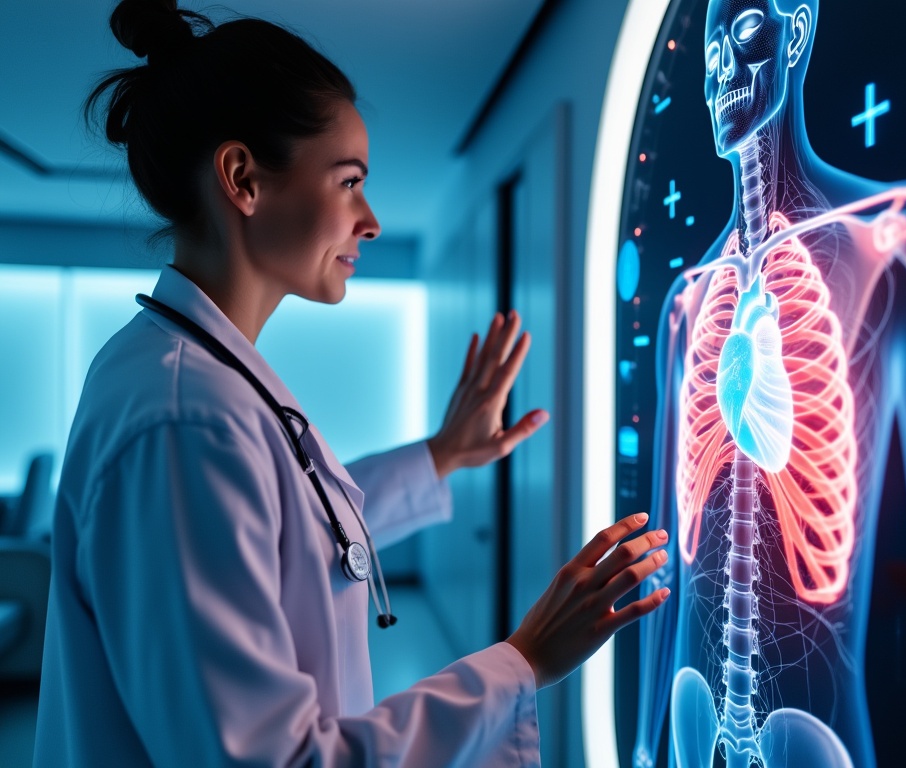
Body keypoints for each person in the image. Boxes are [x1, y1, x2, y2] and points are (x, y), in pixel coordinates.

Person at [32, 1, 671, 765]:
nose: (369, 220)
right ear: (242, 179)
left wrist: (441, 456)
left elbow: (291, 530)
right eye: (348, 182)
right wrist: (524, 661)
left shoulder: (198, 377)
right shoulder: (185, 419)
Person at [633, 1, 906, 767]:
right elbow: (667, 561)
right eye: (710, 60)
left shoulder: (899, 243)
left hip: (816, 728)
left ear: (797, 35)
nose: (721, 79)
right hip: (689, 700)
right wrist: (644, 750)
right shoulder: (689, 302)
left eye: (744, 42)